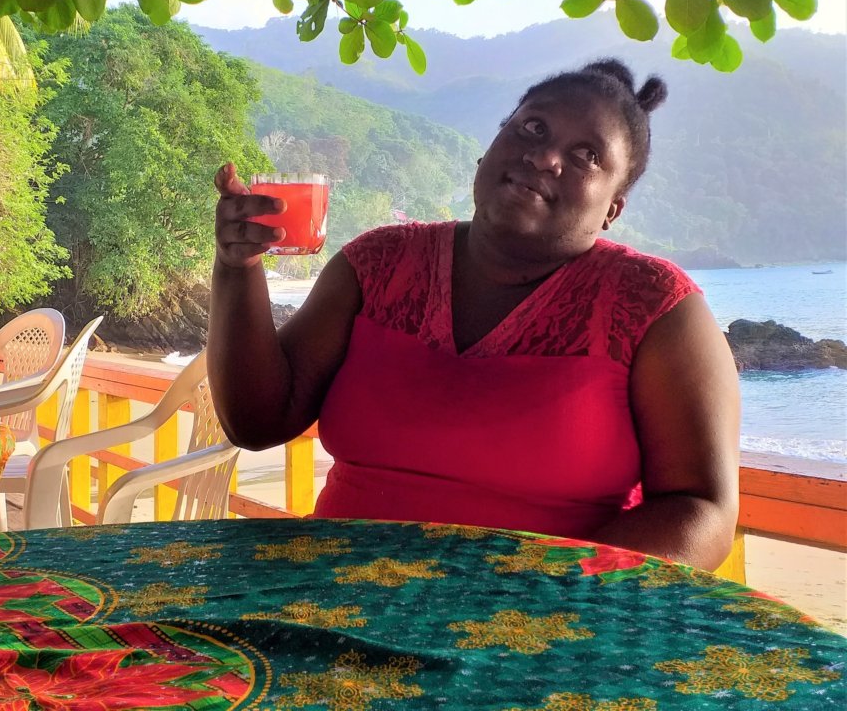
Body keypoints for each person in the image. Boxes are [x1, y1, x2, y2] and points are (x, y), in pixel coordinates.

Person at [208, 59, 740, 571]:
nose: (545, 157)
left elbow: (702, 510)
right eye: (532, 127)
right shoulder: (378, 263)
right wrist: (238, 267)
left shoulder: (656, 305)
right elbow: (257, 421)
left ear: (613, 208)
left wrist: (542, 591)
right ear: (489, 148)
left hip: (533, 633)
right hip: (335, 602)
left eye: (586, 156)